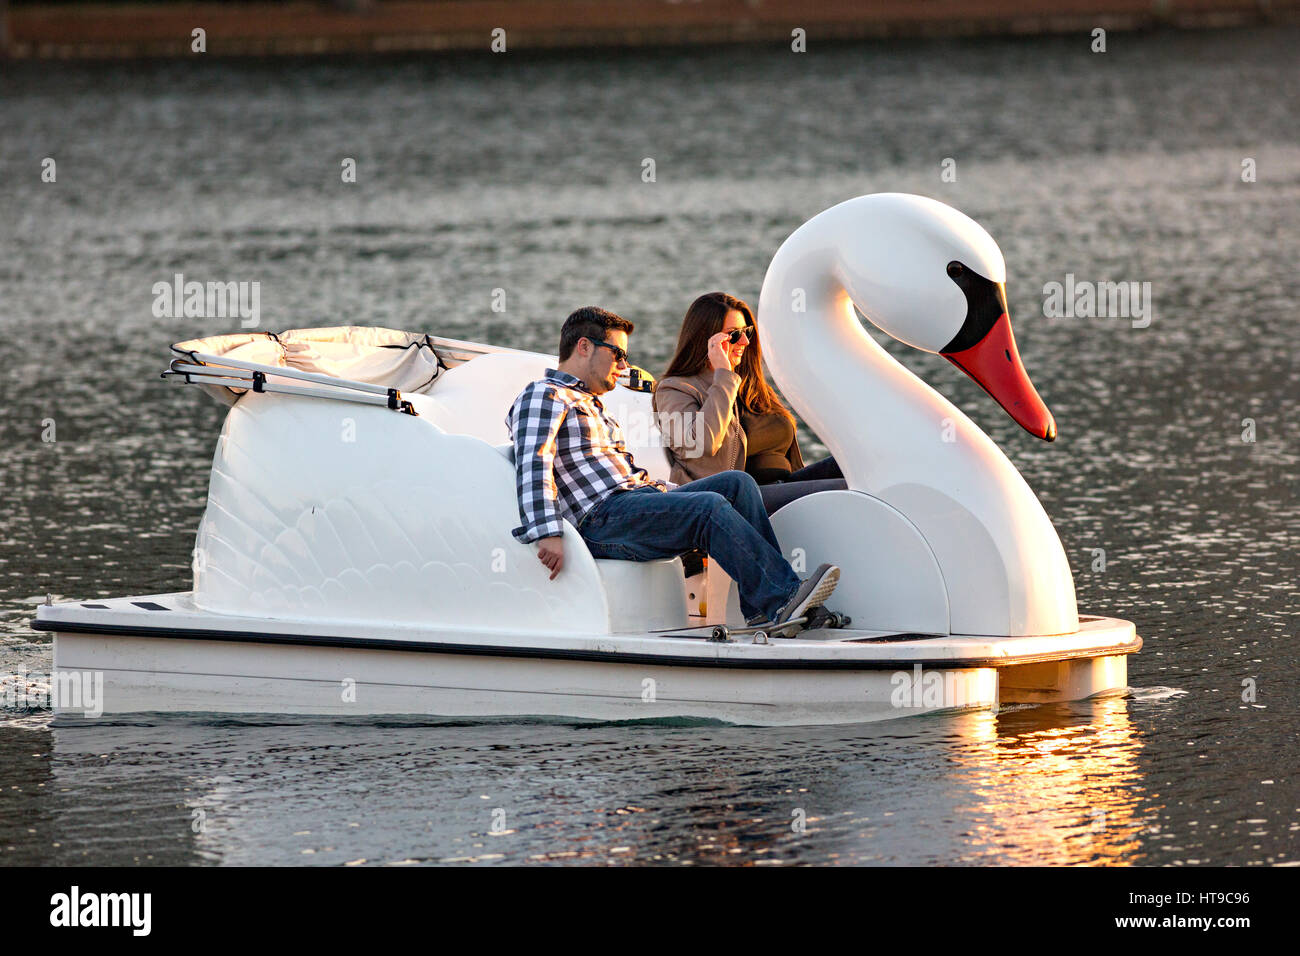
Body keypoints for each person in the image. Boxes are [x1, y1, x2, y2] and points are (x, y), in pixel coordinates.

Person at [506, 306, 839, 628]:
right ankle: (782, 599)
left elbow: (630, 479)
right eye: (618, 353)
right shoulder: (545, 395)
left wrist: (673, 495)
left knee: (736, 484)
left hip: (631, 505)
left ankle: (763, 609)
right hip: (601, 520)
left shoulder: (592, 406)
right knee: (707, 507)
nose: (624, 364)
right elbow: (534, 461)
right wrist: (547, 531)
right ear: (584, 347)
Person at [652, 291, 846, 515]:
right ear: (706, 340)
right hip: (736, 498)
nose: (745, 341)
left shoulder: (750, 386)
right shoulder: (676, 388)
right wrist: (723, 374)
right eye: (733, 335)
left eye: (747, 332)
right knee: (843, 492)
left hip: (784, 485)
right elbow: (701, 444)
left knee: (858, 468)